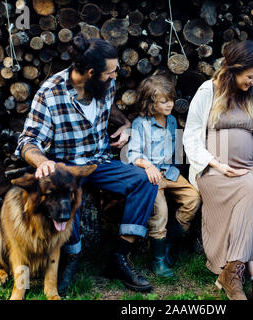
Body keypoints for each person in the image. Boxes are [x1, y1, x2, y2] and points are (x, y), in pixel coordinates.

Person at [15, 33, 158, 294]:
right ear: (91, 72)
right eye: (111, 72)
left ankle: (120, 256)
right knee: (66, 198)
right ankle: (72, 257)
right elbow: (28, 141)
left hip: (99, 162)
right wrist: (42, 161)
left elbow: (108, 108)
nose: (115, 76)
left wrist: (125, 124)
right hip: (67, 168)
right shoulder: (50, 93)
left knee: (145, 181)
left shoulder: (103, 85)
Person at [183, 40, 253, 300]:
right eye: (250, 76)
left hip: (246, 169)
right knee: (252, 189)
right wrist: (217, 164)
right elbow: (189, 136)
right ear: (234, 69)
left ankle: (233, 272)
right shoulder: (207, 91)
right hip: (214, 170)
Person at [126, 75, 201, 278]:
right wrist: (148, 166)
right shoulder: (141, 124)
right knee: (161, 212)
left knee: (193, 199)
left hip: (170, 172)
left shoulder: (172, 121)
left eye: (171, 99)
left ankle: (169, 244)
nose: (170, 104)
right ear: (150, 102)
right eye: (163, 101)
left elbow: (176, 149)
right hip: (151, 177)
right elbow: (132, 153)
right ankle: (157, 259)